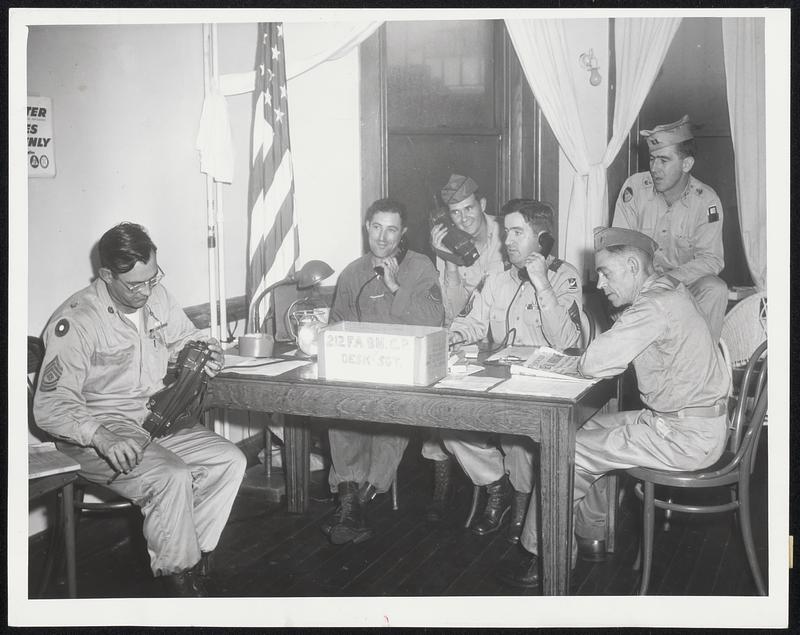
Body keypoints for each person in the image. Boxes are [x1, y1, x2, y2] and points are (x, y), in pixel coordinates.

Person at [497, 226, 731, 588]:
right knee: (582, 432)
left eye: (606, 273)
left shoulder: (653, 306)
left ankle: (542, 556)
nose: (601, 284)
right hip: (684, 422)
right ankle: (590, 535)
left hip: (686, 437)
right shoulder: (668, 290)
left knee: (563, 449)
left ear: (635, 267)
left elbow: (593, 363)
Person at [33, 222, 246, 597]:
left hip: (154, 421)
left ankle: (195, 558)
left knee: (230, 459)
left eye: (153, 278)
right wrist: (100, 435)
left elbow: (183, 338)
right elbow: (51, 406)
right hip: (96, 434)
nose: (147, 291)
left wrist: (206, 352)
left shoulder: (157, 296)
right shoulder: (78, 321)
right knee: (170, 475)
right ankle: (179, 583)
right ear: (106, 275)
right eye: (135, 285)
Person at [444, 199, 584, 543]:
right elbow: (470, 322)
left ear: (543, 238)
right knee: (448, 421)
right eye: (506, 232)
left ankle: (522, 505)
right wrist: (456, 336)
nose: (508, 241)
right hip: (496, 379)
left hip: (542, 389)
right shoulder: (496, 279)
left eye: (518, 232)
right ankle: (497, 486)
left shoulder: (564, 277)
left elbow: (568, 341)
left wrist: (542, 283)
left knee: (521, 443)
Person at [322, 198, 445, 545]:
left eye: (392, 229)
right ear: (367, 227)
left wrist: (395, 288)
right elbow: (336, 324)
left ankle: (356, 500)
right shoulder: (352, 272)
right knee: (339, 408)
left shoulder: (420, 267)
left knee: (393, 418)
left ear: (403, 233)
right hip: (360, 368)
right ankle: (352, 501)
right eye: (376, 227)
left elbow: (434, 320)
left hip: (403, 373)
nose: (382, 237)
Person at [423, 174, 507, 523]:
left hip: (502, 338)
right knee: (432, 399)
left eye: (469, 209)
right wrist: (449, 263)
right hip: (467, 335)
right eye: (455, 213)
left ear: (482, 205)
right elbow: (452, 310)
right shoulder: (451, 240)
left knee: (452, 417)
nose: (463, 219)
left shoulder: (508, 235)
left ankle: (496, 484)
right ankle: (442, 482)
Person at [612, 114, 727, 341]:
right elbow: (618, 248)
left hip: (683, 288)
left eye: (664, 161)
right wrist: (647, 286)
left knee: (716, 288)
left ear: (687, 164)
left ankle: (703, 364)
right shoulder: (635, 189)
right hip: (639, 290)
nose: (655, 168)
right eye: (652, 159)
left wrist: (670, 279)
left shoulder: (706, 201)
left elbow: (712, 260)